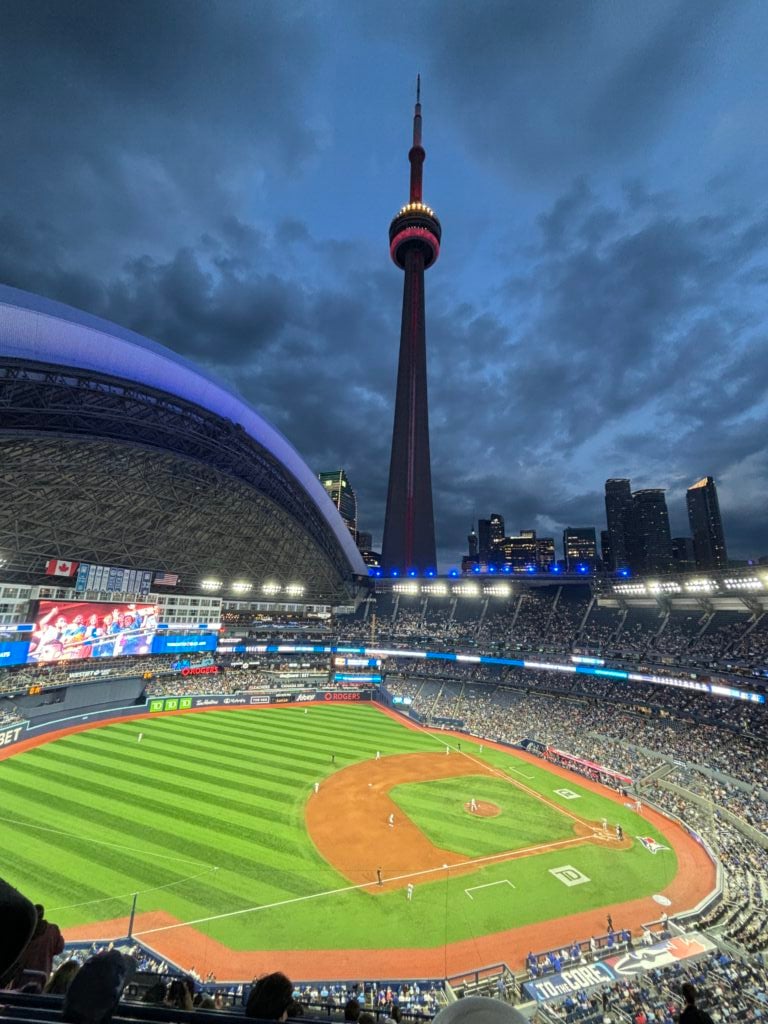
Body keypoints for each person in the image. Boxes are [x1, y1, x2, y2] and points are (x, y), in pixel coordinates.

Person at [11, 903, 64, 988]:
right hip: (41, 974)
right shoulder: (53, 930)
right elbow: (59, 948)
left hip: (20, 973)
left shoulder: (22, 927)